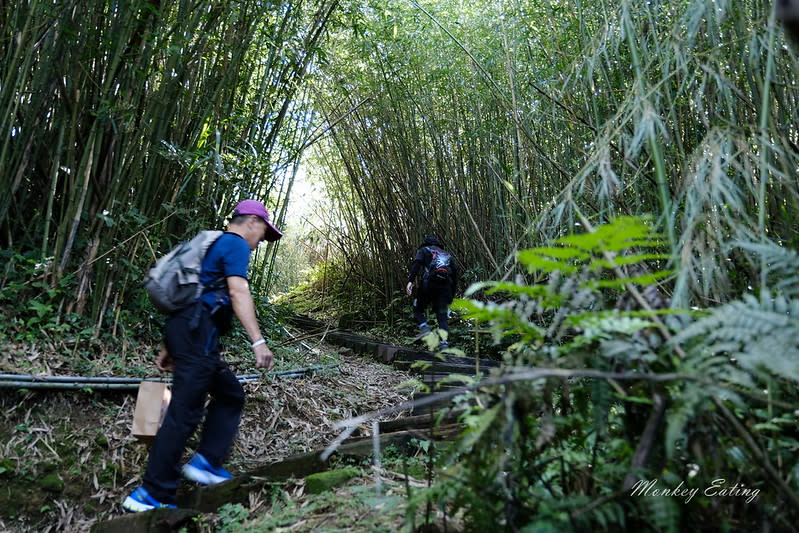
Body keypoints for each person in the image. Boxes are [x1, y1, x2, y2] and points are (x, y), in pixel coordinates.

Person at [122, 199, 283, 512]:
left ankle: (207, 462)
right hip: (197, 335)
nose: (260, 242)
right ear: (251, 221)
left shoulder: (213, 244)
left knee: (230, 393)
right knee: (185, 411)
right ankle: (151, 494)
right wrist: (258, 341)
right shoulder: (235, 244)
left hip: (190, 332)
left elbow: (196, 292)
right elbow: (238, 292)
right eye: (263, 233)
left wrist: (172, 345)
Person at [405, 236, 457, 348]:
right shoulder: (447, 255)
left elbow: (417, 265)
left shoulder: (424, 250)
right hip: (445, 288)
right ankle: (444, 344)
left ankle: (424, 328)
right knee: (442, 316)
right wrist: (452, 295)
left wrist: (410, 281)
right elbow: (455, 276)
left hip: (429, 285)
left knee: (417, 308)